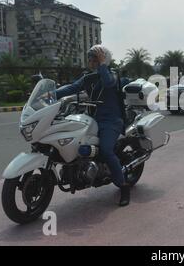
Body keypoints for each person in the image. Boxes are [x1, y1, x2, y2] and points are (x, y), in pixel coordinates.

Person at [55, 45, 130, 207]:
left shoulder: (112, 75)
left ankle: (124, 187)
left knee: (106, 150)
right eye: (90, 58)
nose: (91, 62)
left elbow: (108, 83)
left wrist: (103, 64)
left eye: (95, 58)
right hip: (94, 119)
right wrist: (49, 94)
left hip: (111, 121)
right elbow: (71, 88)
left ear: (104, 59)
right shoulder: (88, 78)